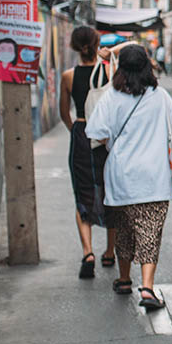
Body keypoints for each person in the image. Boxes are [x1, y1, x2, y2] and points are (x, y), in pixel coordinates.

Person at [86, 44, 172, 311]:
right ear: (146, 66)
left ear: (120, 68)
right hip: (154, 176)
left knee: (125, 230)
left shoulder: (110, 97)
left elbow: (95, 132)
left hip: (121, 176)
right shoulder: (161, 96)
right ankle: (147, 288)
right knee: (150, 232)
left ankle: (124, 278)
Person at [59, 26, 118, 278]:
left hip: (82, 135)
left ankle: (88, 252)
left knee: (83, 191)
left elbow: (65, 112)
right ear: (97, 44)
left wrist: (76, 128)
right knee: (110, 191)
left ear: (73, 46)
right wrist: (109, 53)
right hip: (105, 138)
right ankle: (109, 251)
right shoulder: (108, 71)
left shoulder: (68, 76)